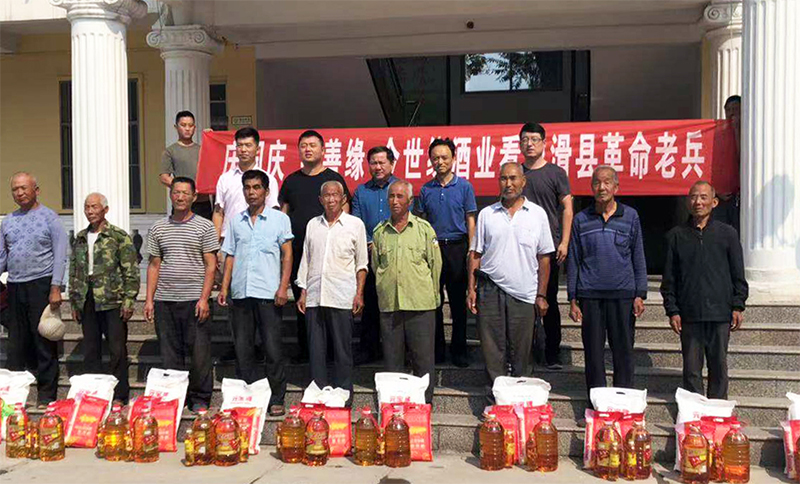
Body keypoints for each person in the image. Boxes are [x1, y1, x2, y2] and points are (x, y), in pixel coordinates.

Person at [467, 163, 554, 403]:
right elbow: (475, 254)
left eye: (513, 178)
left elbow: (544, 258)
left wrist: (541, 295)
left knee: (522, 352)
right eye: (504, 179)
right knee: (492, 350)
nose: (509, 184)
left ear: (523, 181)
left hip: (524, 293)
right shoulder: (487, 214)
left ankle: (521, 402)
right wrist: (471, 289)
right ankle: (496, 403)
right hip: (490, 289)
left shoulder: (537, 214)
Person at [661, 181, 748, 399]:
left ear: (714, 202)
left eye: (703, 197)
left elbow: (738, 274)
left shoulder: (727, 234)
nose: (698, 202)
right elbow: (669, 278)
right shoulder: (676, 236)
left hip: (720, 313)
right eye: (693, 197)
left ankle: (717, 411)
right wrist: (673, 310)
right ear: (687, 202)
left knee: (718, 367)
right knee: (691, 369)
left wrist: (738, 305)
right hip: (689, 314)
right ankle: (694, 412)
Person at [567, 166, 647, 400]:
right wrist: (572, 297)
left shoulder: (630, 216)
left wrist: (640, 293)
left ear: (616, 187)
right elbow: (574, 259)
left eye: (607, 182)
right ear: (591, 187)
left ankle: (623, 402)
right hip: (590, 294)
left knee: (623, 352)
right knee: (593, 353)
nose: (601, 187)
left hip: (623, 294)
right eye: (596, 183)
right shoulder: (581, 219)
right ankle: (597, 403)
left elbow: (638, 255)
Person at [218, 170, 293, 416]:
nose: (251, 192)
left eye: (257, 187)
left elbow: (287, 255)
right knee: (243, 348)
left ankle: (277, 397)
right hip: (241, 293)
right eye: (247, 188)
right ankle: (246, 395)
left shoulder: (279, 220)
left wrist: (283, 287)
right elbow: (230, 255)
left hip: (268, 293)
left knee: (272, 348)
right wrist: (225, 287)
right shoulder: (235, 221)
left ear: (266, 192)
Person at [144, 177, 219, 411]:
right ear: (170, 195)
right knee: (170, 354)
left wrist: (204, 298)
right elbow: (154, 265)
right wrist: (149, 300)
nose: (180, 197)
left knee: (199, 354)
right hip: (165, 300)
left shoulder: (205, 226)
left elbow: (211, 265)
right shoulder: (158, 227)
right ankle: (175, 398)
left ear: (194, 197)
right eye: (176, 192)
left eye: (185, 193)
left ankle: (199, 398)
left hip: (195, 300)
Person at [279, 129, 350, 363]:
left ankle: (331, 351)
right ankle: (306, 350)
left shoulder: (333, 179)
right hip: (298, 252)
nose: (307, 149)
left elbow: (345, 213)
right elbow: (283, 215)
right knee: (303, 300)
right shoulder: (291, 181)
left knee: (329, 300)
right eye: (303, 145)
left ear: (323, 150)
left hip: (329, 253)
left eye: (312, 145)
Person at [0, 172, 67, 408]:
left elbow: (60, 255)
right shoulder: (8, 221)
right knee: (17, 342)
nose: (19, 193)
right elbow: (3, 257)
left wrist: (56, 287)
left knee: (43, 341)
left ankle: (47, 396)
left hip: (41, 284)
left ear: (36, 190)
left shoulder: (50, 218)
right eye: (15, 189)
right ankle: (15, 396)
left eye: (24, 188)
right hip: (15, 286)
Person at [213, 126, 279, 363]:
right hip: (231, 246)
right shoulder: (225, 178)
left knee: (261, 298)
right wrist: (216, 246)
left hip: (260, 248)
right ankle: (239, 345)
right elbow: (218, 212)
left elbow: (274, 214)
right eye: (240, 145)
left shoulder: (268, 178)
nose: (243, 149)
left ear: (257, 149)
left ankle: (262, 346)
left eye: (248, 145)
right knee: (235, 299)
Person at [296, 181, 368, 398]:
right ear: (320, 200)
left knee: (342, 349)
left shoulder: (355, 225)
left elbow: (361, 263)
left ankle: (343, 393)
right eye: (326, 195)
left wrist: (359, 293)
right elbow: (306, 259)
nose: (331, 199)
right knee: (316, 349)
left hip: (342, 295)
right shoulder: (313, 225)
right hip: (315, 296)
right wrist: (303, 291)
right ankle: (317, 391)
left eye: (335, 195)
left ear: (343, 198)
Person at [372, 180, 442, 403]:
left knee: (423, 361)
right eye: (391, 196)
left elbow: (435, 265)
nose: (394, 201)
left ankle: (423, 405)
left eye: (400, 196)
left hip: (420, 304)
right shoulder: (380, 232)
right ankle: (395, 407)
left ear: (410, 201)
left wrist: (431, 295)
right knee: (392, 362)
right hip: (390, 305)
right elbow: (376, 266)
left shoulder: (424, 229)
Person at [69, 192, 139, 403]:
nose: (90, 211)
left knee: (117, 349)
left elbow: (130, 270)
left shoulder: (118, 236)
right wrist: (74, 301)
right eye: (87, 207)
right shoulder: (80, 237)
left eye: (94, 207)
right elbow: (74, 270)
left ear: (105, 209)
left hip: (112, 299)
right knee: (91, 348)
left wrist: (129, 300)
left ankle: (119, 395)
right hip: (87, 298)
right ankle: (94, 394)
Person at [416, 138, 477, 367]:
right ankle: (437, 351)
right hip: (433, 249)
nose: (440, 161)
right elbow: (421, 222)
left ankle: (459, 351)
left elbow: (470, 220)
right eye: (435, 158)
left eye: (444, 157)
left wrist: (472, 249)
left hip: (458, 248)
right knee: (434, 302)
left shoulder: (464, 187)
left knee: (458, 302)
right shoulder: (426, 189)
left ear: (453, 158)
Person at [519, 122, 573, 370]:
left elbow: (567, 208)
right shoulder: (516, 173)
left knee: (548, 299)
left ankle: (552, 353)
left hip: (548, 248)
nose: (529, 144)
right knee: (521, 301)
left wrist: (564, 241)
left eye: (534, 139)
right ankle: (524, 354)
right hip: (521, 249)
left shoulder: (555, 173)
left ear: (544, 143)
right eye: (525, 140)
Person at [350, 146, 398, 364]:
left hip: (394, 254)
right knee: (369, 302)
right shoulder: (361, 191)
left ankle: (394, 351)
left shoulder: (400, 188)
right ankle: (368, 349)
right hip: (368, 253)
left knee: (393, 303)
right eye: (373, 163)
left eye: (382, 162)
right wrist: (370, 242)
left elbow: (403, 217)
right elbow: (357, 221)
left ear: (391, 164)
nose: (377, 167)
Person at [159, 111, 213, 220]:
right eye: (183, 125)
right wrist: (185, 190)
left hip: (202, 202)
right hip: (182, 203)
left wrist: (212, 139)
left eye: (190, 125)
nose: (187, 128)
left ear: (194, 128)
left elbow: (216, 167)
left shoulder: (203, 150)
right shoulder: (170, 151)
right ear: (176, 127)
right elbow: (164, 177)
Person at [713, 95, 741, 232]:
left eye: (735, 109)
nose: (731, 113)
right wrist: (717, 190)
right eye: (728, 110)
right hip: (722, 196)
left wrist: (736, 131)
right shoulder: (718, 135)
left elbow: (740, 158)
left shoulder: (750, 133)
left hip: (741, 194)